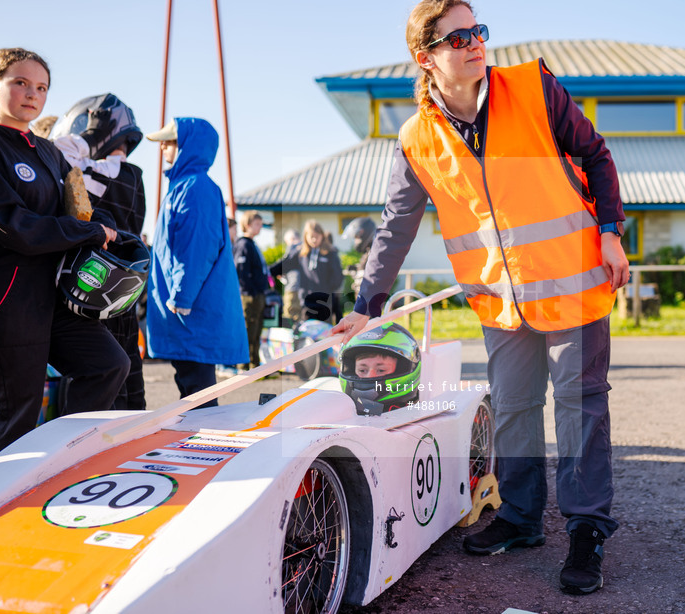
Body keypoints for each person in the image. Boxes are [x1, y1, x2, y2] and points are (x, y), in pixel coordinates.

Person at [331, 0, 629, 596]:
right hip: (501, 297)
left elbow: (596, 154)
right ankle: (520, 518)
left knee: (579, 407)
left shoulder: (534, 88)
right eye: (458, 36)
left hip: (573, 281)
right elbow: (396, 224)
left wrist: (611, 233)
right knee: (515, 408)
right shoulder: (417, 137)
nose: (475, 42)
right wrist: (366, 303)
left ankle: (586, 530)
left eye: (478, 31)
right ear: (426, 57)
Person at [0, 48, 128, 452]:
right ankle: (2, 505)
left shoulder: (48, 151)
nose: (32, 94)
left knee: (109, 365)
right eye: (20, 83)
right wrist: (86, 232)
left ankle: (64, 456)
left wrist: (106, 226)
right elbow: (15, 226)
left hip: (58, 292)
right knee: (19, 413)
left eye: (41, 87)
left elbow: (82, 210)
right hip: (10, 296)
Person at [50, 93, 147, 410]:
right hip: (121, 293)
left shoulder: (108, 172)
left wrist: (89, 137)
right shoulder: (132, 176)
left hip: (92, 288)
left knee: (105, 387)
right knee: (129, 379)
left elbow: (59, 153)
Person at [145, 117, 247, 405]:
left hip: (191, 310)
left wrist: (182, 296)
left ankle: (205, 447)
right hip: (191, 307)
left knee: (197, 392)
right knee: (193, 386)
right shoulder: (187, 186)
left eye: (172, 140)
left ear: (190, 146)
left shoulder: (194, 188)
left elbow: (198, 248)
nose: (163, 145)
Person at [338, 322, 421, 415]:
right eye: (362, 370)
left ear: (403, 368)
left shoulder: (421, 418)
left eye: (381, 370)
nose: (370, 376)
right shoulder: (340, 410)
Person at [270, 219, 343, 325]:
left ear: (322, 236)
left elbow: (337, 276)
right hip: (307, 302)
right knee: (308, 334)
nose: (314, 240)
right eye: (311, 237)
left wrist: (328, 290)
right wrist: (266, 271)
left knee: (324, 334)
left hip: (325, 302)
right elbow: (284, 264)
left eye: (317, 236)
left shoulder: (330, 253)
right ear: (305, 237)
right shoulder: (300, 254)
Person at [234, 210, 269, 369]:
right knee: (248, 329)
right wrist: (251, 292)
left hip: (257, 294)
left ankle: (254, 365)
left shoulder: (253, 244)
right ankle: (244, 366)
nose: (260, 227)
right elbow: (241, 272)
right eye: (257, 224)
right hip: (249, 296)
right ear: (247, 225)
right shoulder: (243, 245)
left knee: (256, 330)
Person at [281, 228, 302, 324]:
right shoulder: (302, 248)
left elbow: (285, 263)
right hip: (298, 287)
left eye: (288, 241)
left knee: (290, 314)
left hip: (293, 287)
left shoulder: (294, 247)